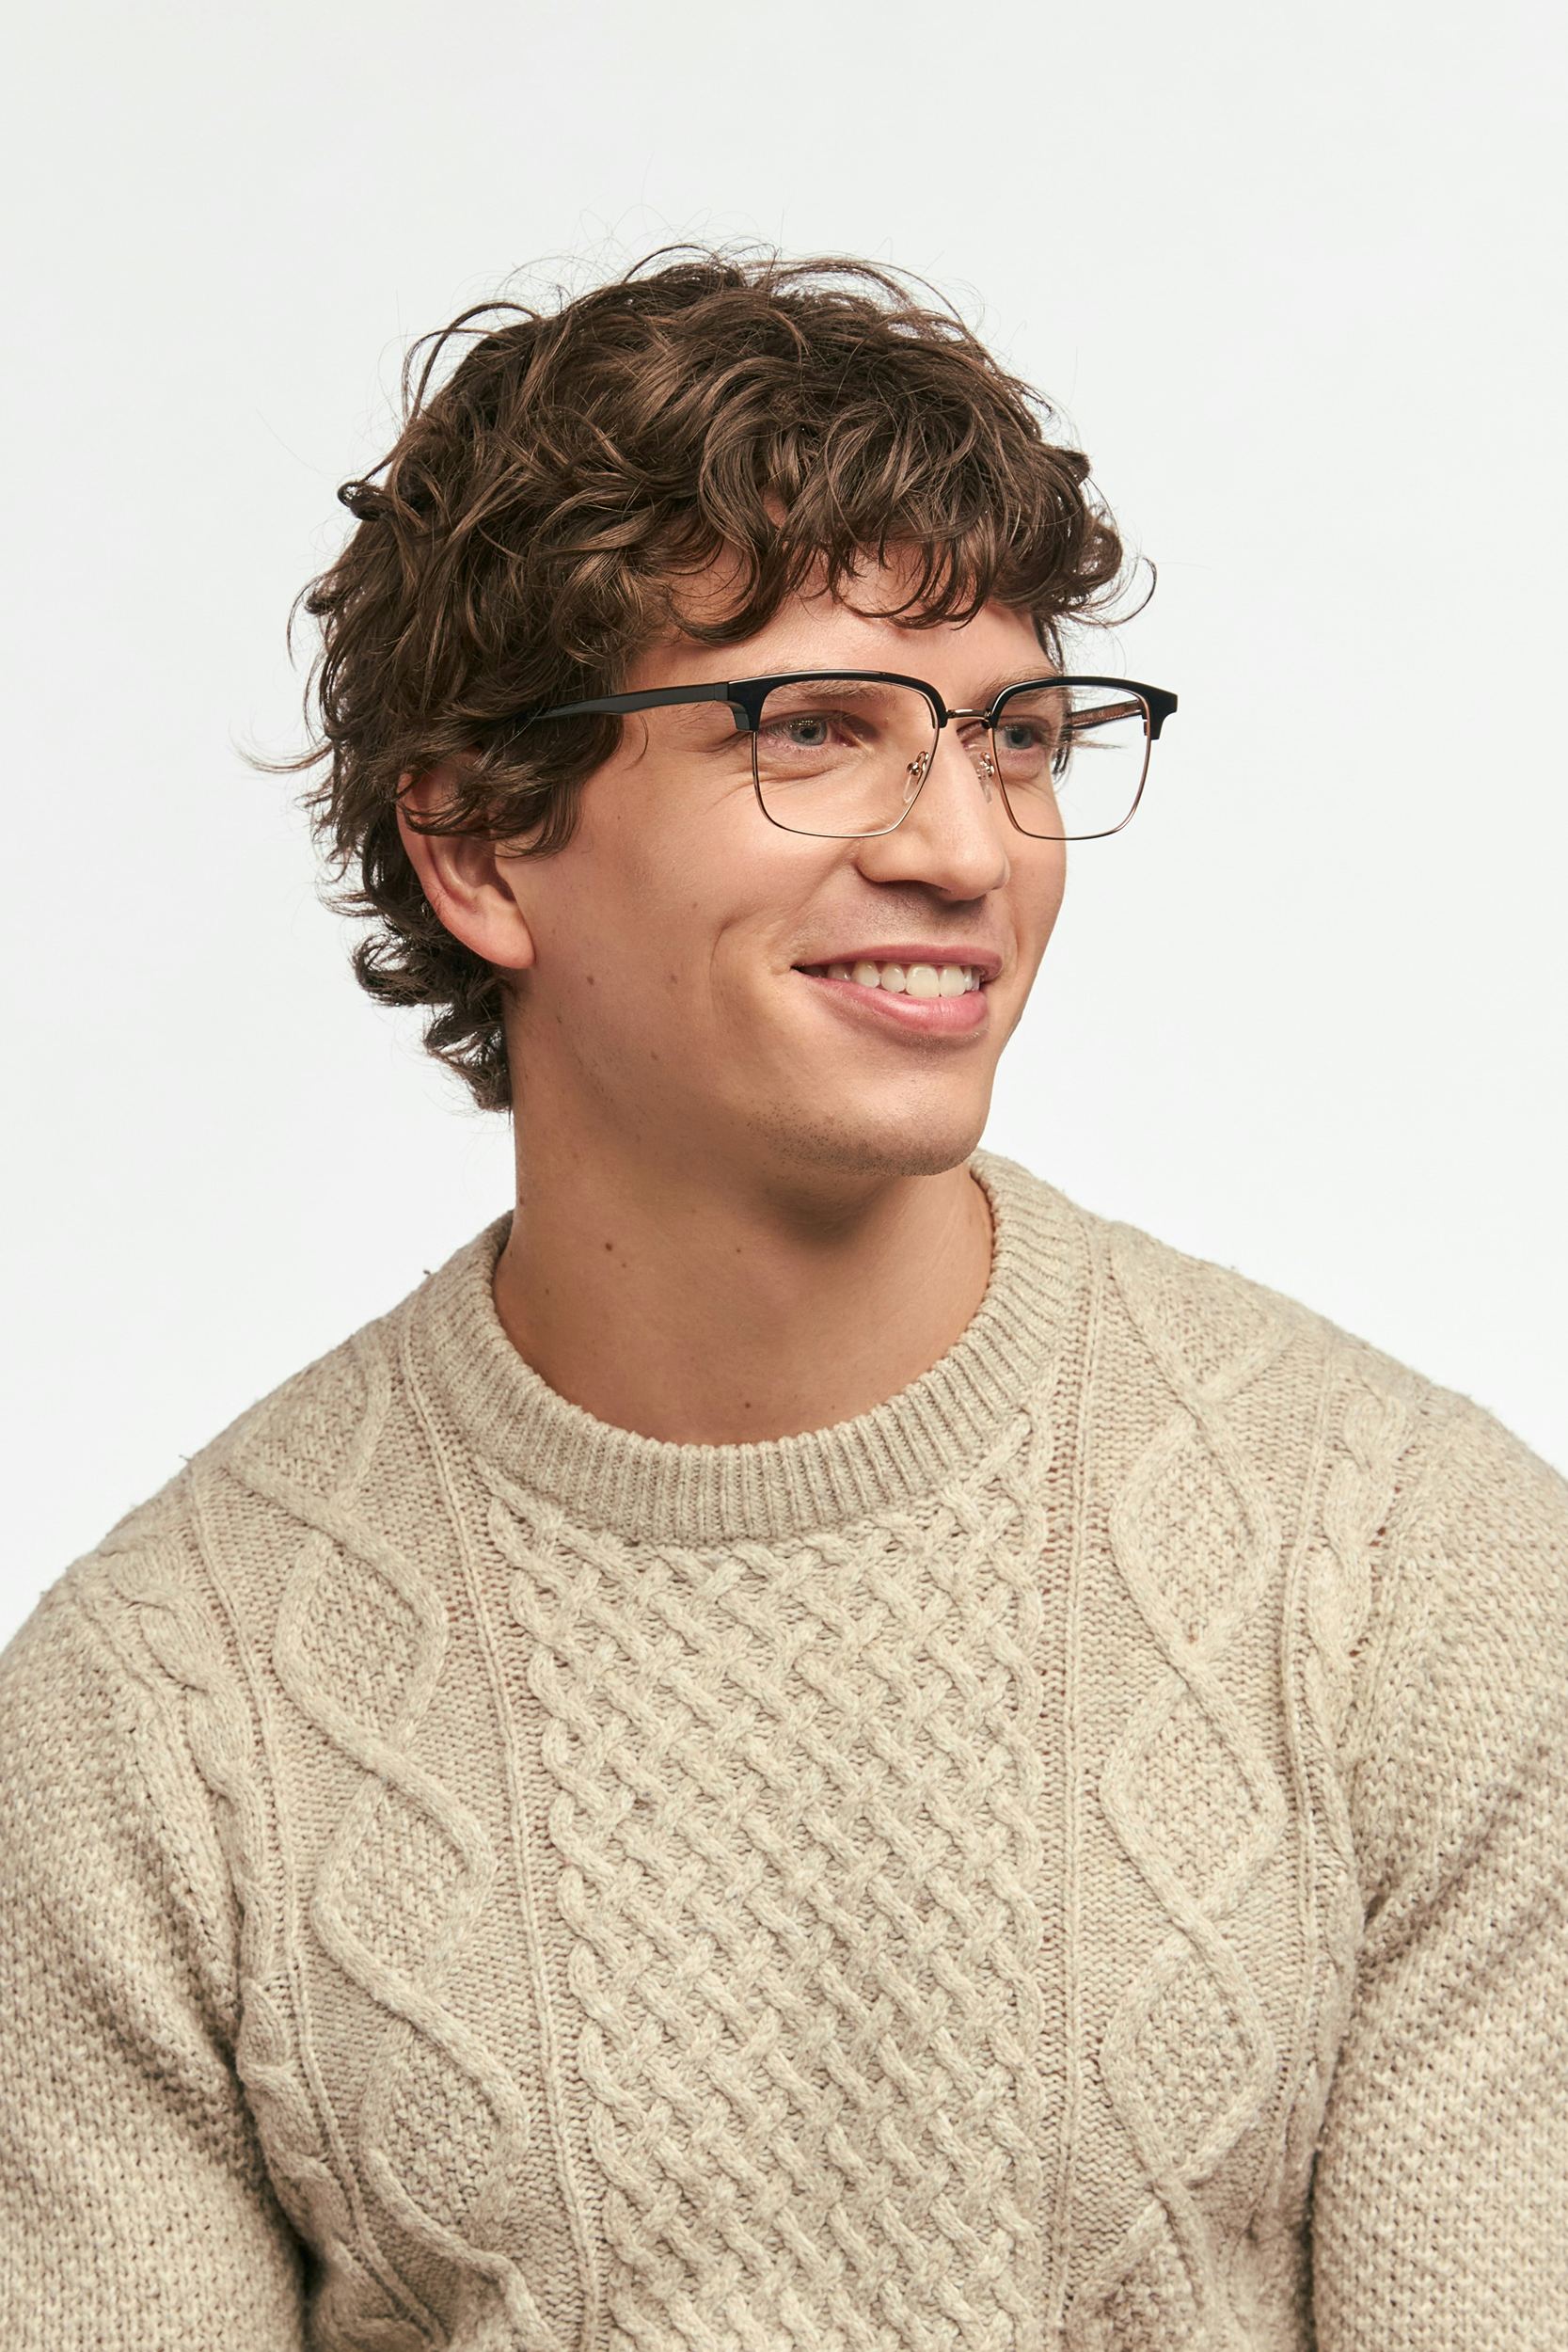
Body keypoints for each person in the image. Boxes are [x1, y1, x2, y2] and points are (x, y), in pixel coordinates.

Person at [0, 251, 1562, 2352]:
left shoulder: (1415, 1583)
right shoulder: (150, 1725)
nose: (966, 849)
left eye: (1017, 738)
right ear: (478, 844)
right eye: (816, 729)